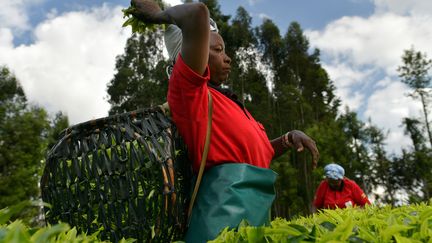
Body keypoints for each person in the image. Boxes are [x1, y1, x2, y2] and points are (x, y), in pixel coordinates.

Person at [131, 1, 320, 242]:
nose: (228, 58)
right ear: (192, 53)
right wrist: (158, 16)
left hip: (253, 213)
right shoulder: (190, 92)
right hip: (220, 221)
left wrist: (287, 139)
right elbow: (197, 12)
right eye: (217, 50)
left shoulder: (227, 102)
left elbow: (253, 155)